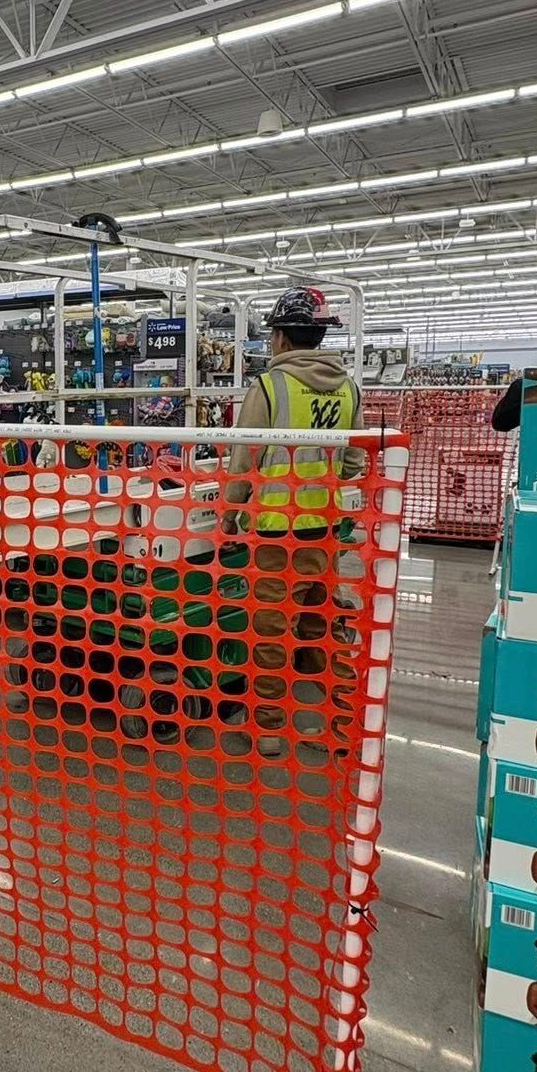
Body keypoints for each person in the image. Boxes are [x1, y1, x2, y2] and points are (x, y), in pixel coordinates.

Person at [225, 286, 364, 763]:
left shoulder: (269, 388)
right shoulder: (348, 389)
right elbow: (350, 463)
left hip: (274, 535)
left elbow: (244, 463)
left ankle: (266, 729)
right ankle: (347, 721)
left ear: (281, 337)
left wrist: (227, 515)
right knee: (322, 624)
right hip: (324, 533)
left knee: (269, 633)